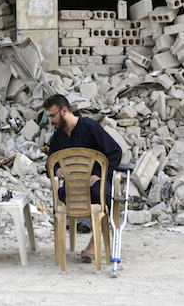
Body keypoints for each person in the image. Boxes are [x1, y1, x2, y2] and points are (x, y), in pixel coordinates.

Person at [43, 94, 122, 263]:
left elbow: (115, 152)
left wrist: (100, 175)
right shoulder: (57, 138)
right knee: (61, 195)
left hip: (96, 186)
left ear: (64, 111)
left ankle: (94, 244)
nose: (50, 121)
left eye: (52, 115)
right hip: (72, 188)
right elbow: (50, 163)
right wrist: (57, 171)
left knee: (101, 195)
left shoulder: (90, 127)